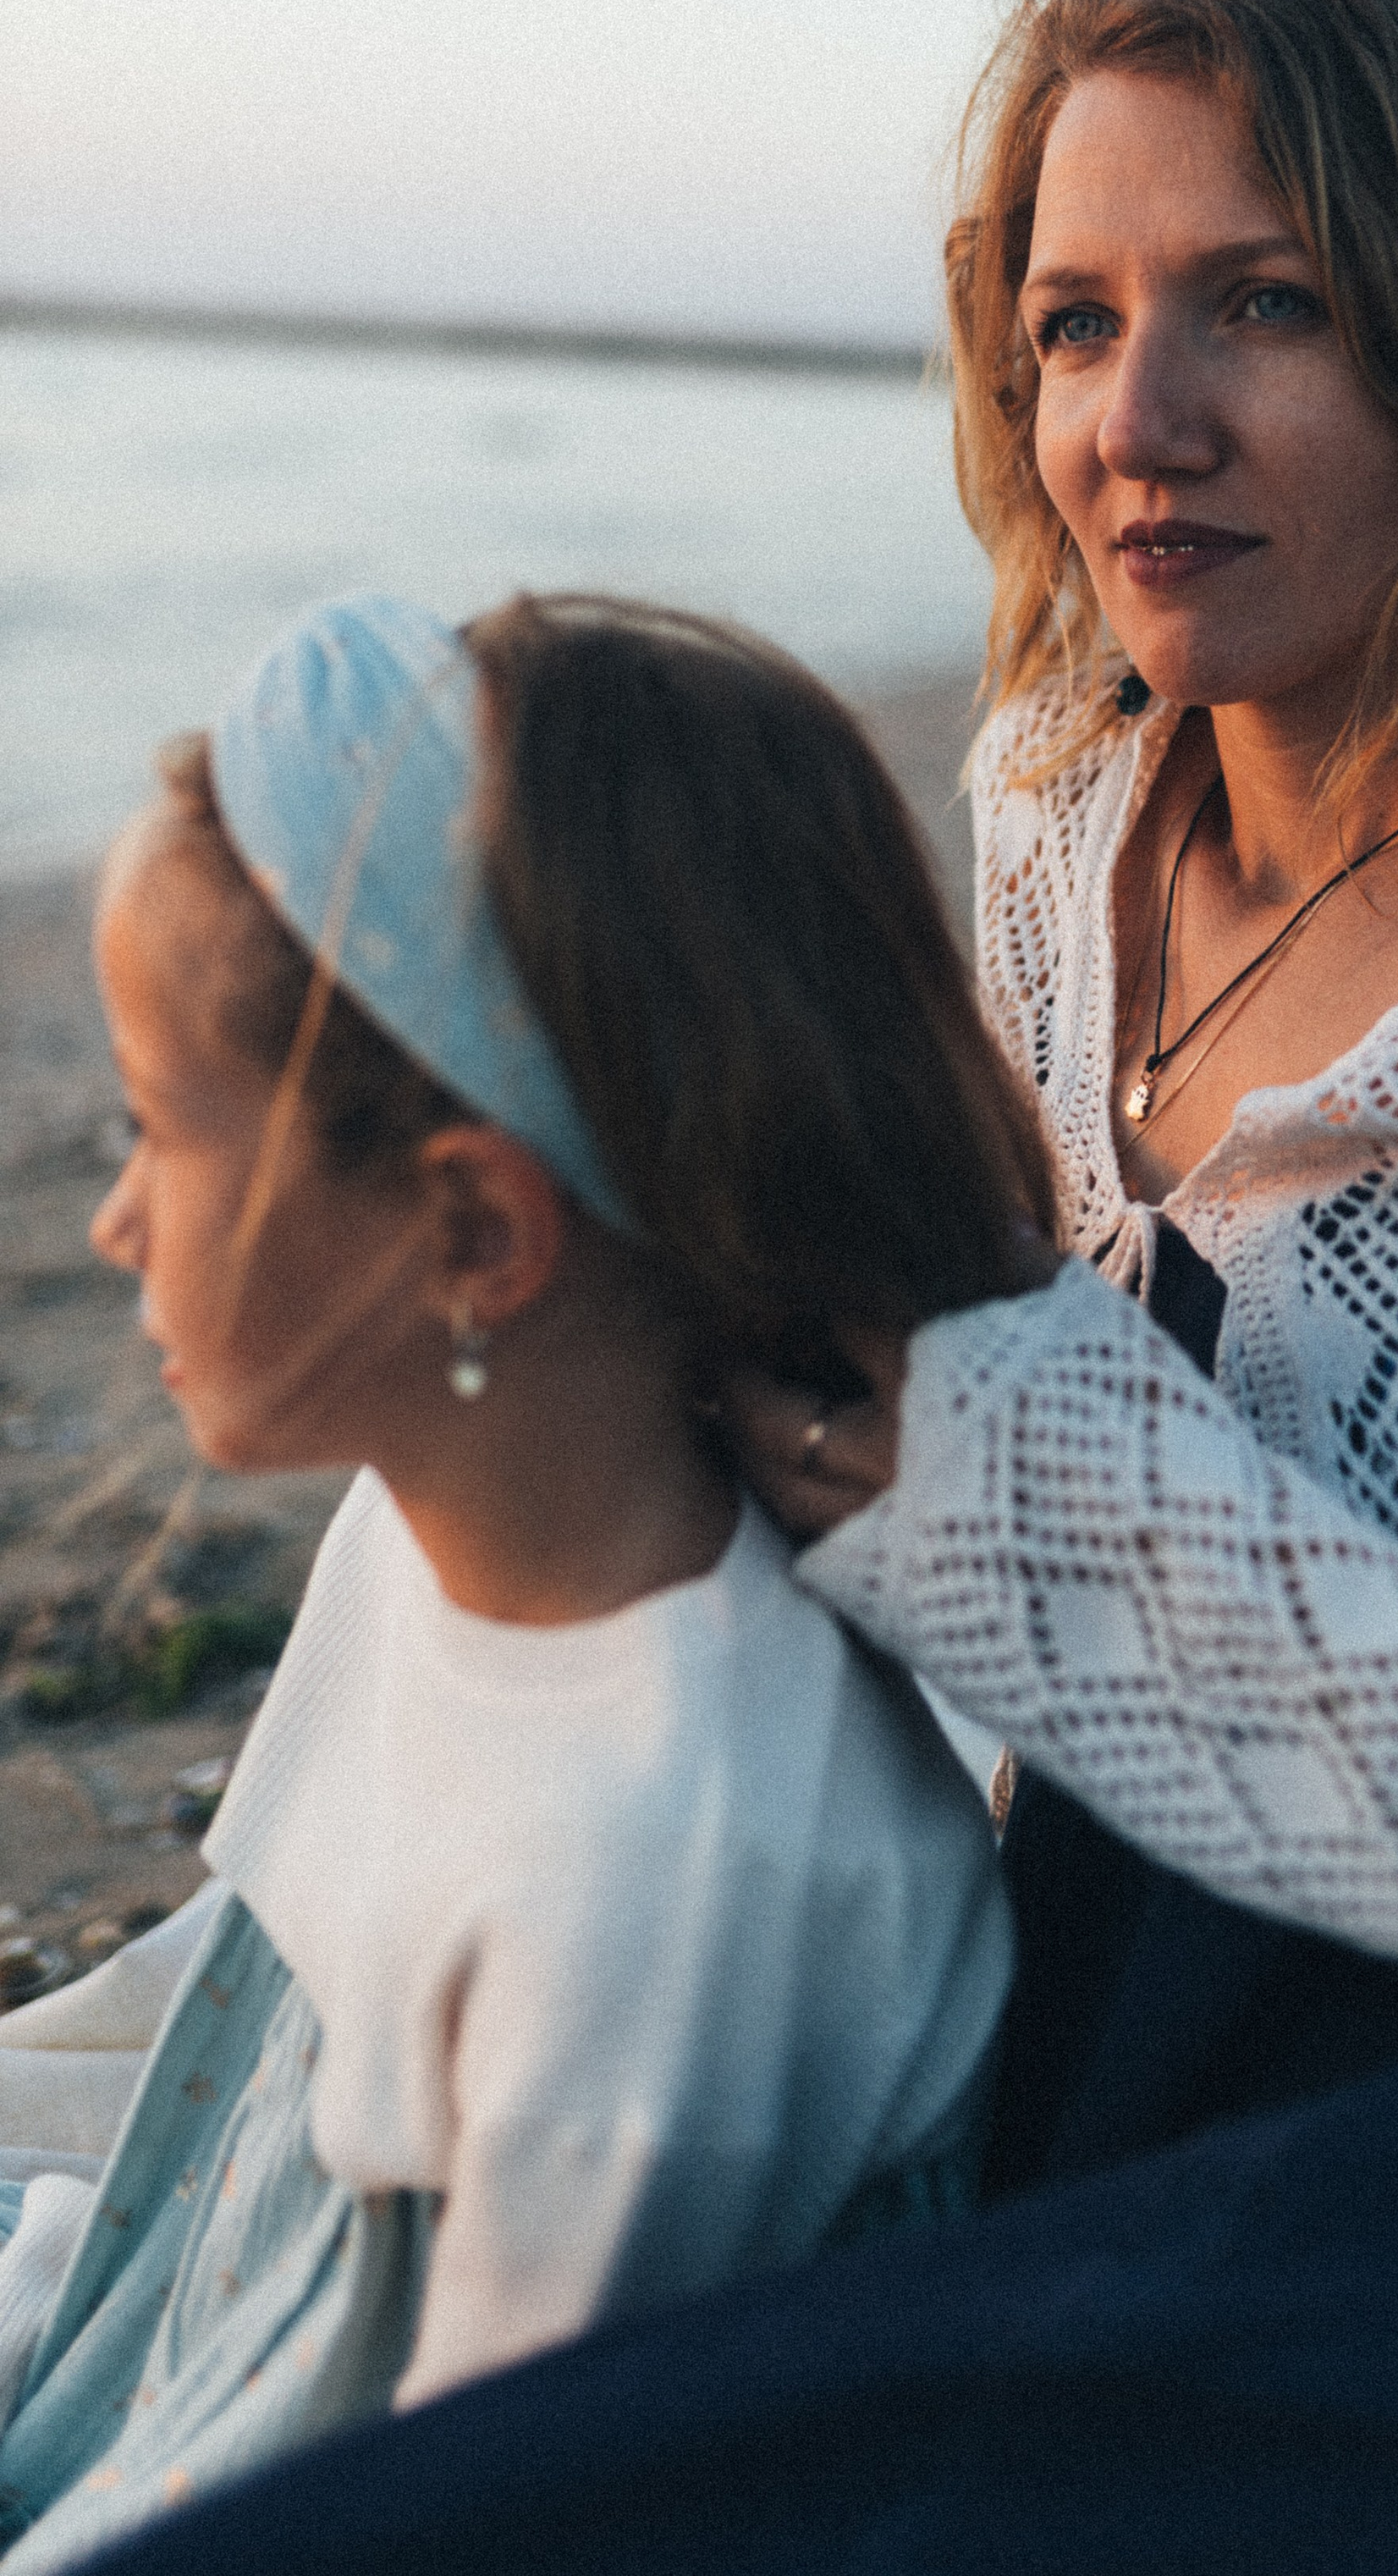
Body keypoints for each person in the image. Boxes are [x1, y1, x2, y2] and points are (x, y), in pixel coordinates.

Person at [58, 0, 1398, 2576]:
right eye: (1068, 324)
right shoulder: (1056, 815)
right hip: (1131, 2098)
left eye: (1260, 305)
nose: (1130, 426)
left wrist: (1125, 1557)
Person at [0, 591, 1044, 2566]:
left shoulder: (662, 1891)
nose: (111, 1215)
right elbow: (252, 2071)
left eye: (156, 1131)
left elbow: (473, 2503)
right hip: (218, 2316)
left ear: (477, 1233)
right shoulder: (444, 1511)